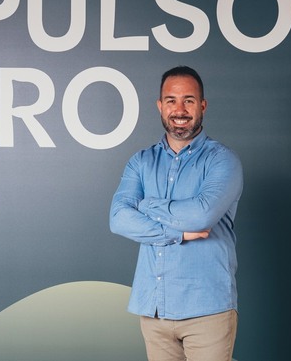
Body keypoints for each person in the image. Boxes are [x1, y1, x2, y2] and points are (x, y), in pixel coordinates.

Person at [110, 66, 243, 361]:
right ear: (160, 105)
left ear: (203, 105)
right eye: (171, 100)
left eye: (189, 100)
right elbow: (118, 218)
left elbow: (201, 216)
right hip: (154, 310)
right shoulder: (141, 162)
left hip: (206, 310)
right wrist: (177, 233)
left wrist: (146, 205)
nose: (179, 110)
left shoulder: (223, 161)